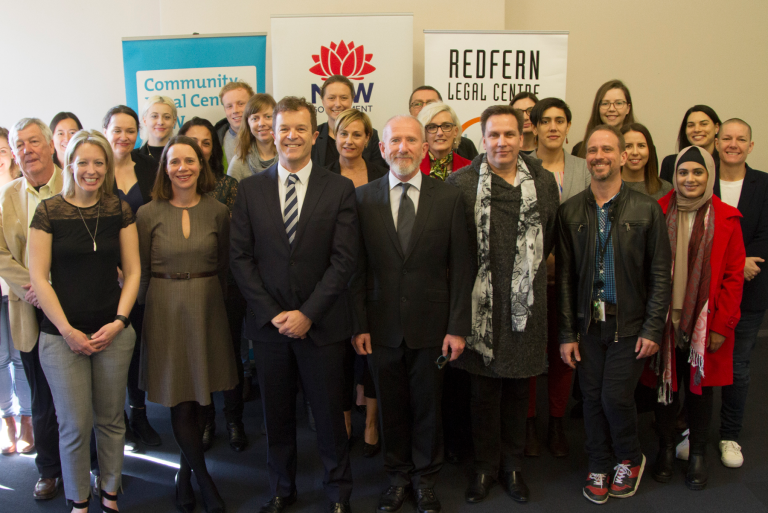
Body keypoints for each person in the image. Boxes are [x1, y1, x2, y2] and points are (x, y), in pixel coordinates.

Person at [230, 96, 357, 513]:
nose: (291, 136)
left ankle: (338, 494)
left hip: (321, 327)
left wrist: (308, 314)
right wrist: (274, 315)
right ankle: (282, 489)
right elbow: (241, 259)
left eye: (301, 128)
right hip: (270, 330)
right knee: (277, 418)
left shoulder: (338, 188)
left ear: (316, 135)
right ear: (269, 131)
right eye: (284, 128)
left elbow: (344, 261)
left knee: (328, 418)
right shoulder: (249, 190)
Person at [352, 114, 472, 513]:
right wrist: (359, 325)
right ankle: (397, 477)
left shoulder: (450, 198)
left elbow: (463, 267)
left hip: (433, 328)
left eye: (411, 140)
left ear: (424, 148)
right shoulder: (364, 198)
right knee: (391, 408)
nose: (402, 147)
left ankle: (426, 481)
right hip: (380, 327)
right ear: (382, 149)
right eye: (394, 141)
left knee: (427, 408)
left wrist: (457, 326)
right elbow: (356, 268)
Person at [446, 105, 559, 504]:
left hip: (526, 309)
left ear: (522, 137)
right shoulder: (460, 184)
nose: (502, 142)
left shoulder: (544, 183)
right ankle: (484, 468)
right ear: (483, 138)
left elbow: (551, 236)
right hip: (480, 311)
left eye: (509, 135)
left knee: (517, 393)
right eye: (493, 135)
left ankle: (512, 466)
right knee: (482, 395)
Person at [557, 124, 671, 504]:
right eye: (592, 150)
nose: (599, 156)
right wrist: (567, 333)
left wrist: (654, 327)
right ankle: (599, 463)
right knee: (590, 397)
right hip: (588, 324)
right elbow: (567, 279)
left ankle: (628, 457)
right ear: (585, 157)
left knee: (615, 398)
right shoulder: (570, 211)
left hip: (631, 323)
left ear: (623, 156)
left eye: (607, 149)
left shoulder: (646, 210)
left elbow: (659, 274)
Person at [28, 129, 140, 513]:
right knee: (74, 426)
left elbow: (134, 271)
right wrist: (68, 331)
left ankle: (109, 494)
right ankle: (79, 502)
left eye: (99, 162)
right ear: (69, 163)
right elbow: (39, 278)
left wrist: (121, 321)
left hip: (113, 332)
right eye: (84, 162)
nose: (91, 170)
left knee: (110, 420)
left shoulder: (118, 209)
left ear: (107, 167)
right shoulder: (47, 211)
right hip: (61, 338)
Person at [136, 135, 236, 513]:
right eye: (174, 161)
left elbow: (226, 266)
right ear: (164, 167)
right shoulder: (147, 213)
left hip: (208, 306)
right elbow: (140, 272)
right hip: (163, 308)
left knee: (200, 397)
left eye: (190, 160)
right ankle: (204, 479)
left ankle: (184, 474)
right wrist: (146, 315)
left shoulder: (218, 211)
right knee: (179, 399)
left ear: (202, 165)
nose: (182, 168)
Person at [643, 145, 744, 490]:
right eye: (683, 172)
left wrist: (721, 326)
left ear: (709, 176)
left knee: (700, 391)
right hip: (663, 320)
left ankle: (697, 452)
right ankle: (667, 449)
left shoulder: (728, 218)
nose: (690, 179)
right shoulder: (656, 211)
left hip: (705, 323)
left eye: (698, 172)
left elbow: (732, 278)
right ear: (675, 176)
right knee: (666, 389)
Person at [0, 118, 64, 500]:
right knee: (41, 396)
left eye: (34, 141)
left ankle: (92, 464)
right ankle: (49, 470)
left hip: (75, 308)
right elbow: (1, 254)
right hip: (30, 307)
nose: (27, 149)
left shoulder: (74, 183)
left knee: (80, 395)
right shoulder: (9, 196)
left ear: (51, 147)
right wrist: (34, 288)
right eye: (20, 144)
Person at [525, 98, 590, 457]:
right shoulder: (521, 165)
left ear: (568, 127)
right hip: (532, 278)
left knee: (566, 353)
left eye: (560, 120)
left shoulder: (584, 166)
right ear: (533, 127)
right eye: (545, 120)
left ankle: (558, 423)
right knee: (534, 353)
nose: (553, 127)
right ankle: (531, 424)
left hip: (574, 275)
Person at [178, 117, 247, 452]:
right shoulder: (173, 190)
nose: (199, 148)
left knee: (230, 354)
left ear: (213, 148)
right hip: (190, 288)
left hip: (227, 285)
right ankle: (207, 422)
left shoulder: (229, 186)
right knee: (198, 357)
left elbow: (236, 243)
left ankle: (235, 420)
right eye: (192, 141)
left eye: (206, 142)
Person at [325, 108, 385, 455]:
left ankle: (373, 422)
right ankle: (345, 419)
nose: (349, 140)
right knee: (340, 357)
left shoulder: (381, 173)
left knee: (372, 353)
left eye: (357, 134)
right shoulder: (323, 176)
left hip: (377, 276)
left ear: (368, 140)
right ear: (334, 136)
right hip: (336, 278)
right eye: (343, 133)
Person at [102, 105, 162, 447]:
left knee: (138, 346)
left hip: (144, 271)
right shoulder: (95, 169)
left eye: (129, 130)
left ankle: (139, 414)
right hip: (106, 275)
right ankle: (117, 419)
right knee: (113, 347)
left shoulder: (149, 166)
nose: (123, 137)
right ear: (106, 131)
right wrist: (114, 268)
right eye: (116, 130)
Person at [713, 119, 768, 468]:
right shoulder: (702, 177)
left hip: (750, 287)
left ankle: (729, 435)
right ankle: (693, 429)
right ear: (716, 143)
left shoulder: (764, 184)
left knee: (739, 366)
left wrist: (742, 261)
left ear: (751, 146)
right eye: (727, 138)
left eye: (741, 139)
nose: (733, 144)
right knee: (698, 363)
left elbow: (765, 232)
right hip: (707, 290)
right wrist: (732, 262)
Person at [0, 127, 32, 455]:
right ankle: (7, 421)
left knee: (20, 358)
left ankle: (28, 421)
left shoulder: (19, 191)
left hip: (20, 290)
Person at [312, 75, 386, 169]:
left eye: (344, 98)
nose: (338, 104)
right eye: (331, 98)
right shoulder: (313, 135)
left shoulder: (371, 135)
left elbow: (377, 175)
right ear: (322, 101)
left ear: (352, 99)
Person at [408, 85, 478, 161]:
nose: (424, 108)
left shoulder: (465, 146)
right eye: (418, 104)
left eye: (431, 104)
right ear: (410, 110)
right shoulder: (404, 145)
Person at [572, 80, 634, 158]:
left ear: (628, 108)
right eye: (605, 103)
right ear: (597, 108)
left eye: (618, 103)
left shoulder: (640, 150)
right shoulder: (579, 150)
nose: (612, 109)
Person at [659, 105, 721, 183]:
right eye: (691, 125)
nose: (697, 129)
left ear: (717, 127)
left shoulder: (725, 163)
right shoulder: (670, 163)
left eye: (704, 124)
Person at [228, 93, 278, 181]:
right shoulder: (238, 163)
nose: (261, 123)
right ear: (248, 123)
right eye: (255, 118)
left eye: (268, 117)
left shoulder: (288, 157)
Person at [416, 103, 471, 181]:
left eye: (446, 126)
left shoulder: (470, 168)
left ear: (455, 131)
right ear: (424, 133)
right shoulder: (413, 168)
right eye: (432, 127)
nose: (440, 133)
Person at [620, 123, 673, 200]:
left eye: (641, 146)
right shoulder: (606, 187)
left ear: (650, 150)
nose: (635, 152)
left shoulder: (665, 189)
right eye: (628, 146)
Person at [214, 81, 255, 168]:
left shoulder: (269, 136)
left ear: (252, 105)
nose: (235, 110)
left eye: (240, 104)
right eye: (229, 106)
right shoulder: (216, 139)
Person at [137, 95, 177, 163]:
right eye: (154, 116)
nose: (160, 122)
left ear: (173, 121)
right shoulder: (134, 157)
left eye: (167, 117)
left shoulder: (182, 154)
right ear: (144, 120)